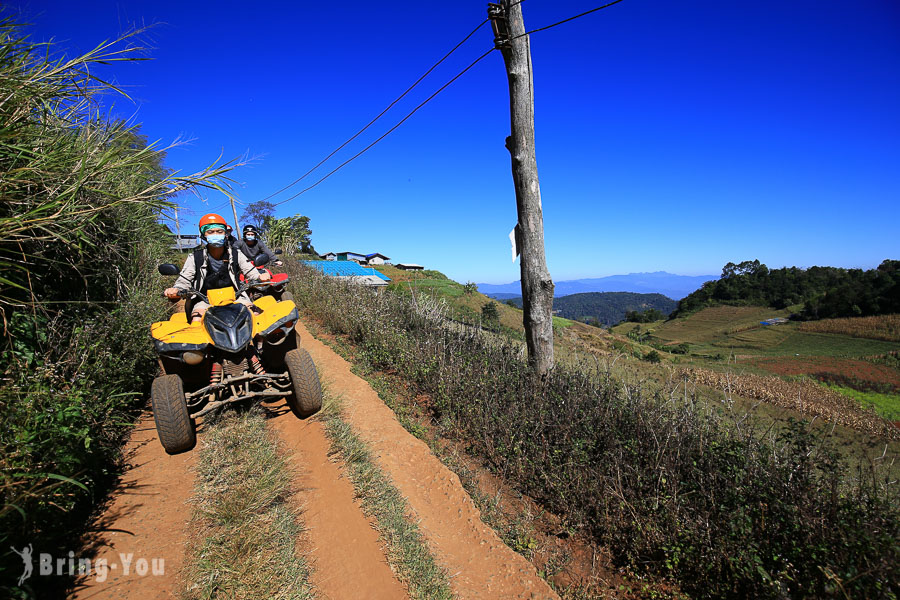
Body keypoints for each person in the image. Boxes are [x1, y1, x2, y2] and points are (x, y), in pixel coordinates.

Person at [164, 214, 270, 323]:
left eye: (219, 232)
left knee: (255, 315)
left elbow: (250, 271)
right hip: (204, 300)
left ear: (225, 234)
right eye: (210, 232)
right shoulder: (195, 257)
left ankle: (257, 340)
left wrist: (260, 277)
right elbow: (184, 280)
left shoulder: (235, 254)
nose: (215, 234)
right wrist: (176, 289)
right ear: (203, 235)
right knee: (197, 320)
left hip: (235, 297)